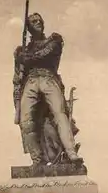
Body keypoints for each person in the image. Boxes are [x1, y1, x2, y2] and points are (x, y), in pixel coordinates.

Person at [13, 12, 83, 167]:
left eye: (39, 20)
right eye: (33, 21)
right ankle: (37, 160)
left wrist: (25, 57)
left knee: (60, 115)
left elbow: (45, 55)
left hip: (49, 80)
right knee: (25, 121)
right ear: (28, 28)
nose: (37, 22)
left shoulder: (54, 40)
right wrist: (16, 104)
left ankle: (71, 153)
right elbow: (17, 78)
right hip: (29, 83)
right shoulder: (21, 51)